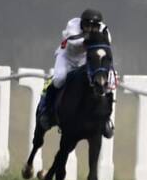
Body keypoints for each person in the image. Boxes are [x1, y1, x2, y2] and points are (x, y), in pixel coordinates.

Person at [37, 8, 114, 138]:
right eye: (87, 25)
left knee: (102, 83)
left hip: (86, 60)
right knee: (59, 79)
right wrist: (93, 37)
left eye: (93, 26)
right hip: (67, 57)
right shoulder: (72, 25)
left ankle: (105, 119)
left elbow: (106, 46)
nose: (89, 29)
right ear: (81, 23)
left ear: (98, 25)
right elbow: (74, 41)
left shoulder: (104, 30)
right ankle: (47, 111)